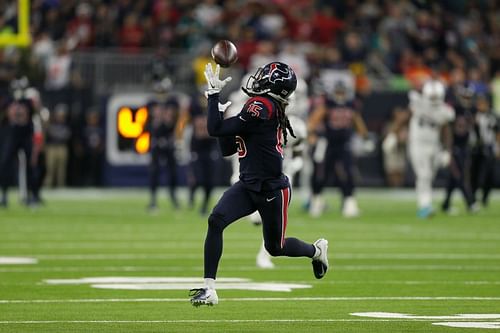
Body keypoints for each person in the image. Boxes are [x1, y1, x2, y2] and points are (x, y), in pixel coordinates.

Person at [189, 62, 329, 307]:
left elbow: (213, 129)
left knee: (276, 247)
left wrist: (212, 97)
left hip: (272, 189)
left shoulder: (261, 105)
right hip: (247, 185)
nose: (259, 78)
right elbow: (227, 146)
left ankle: (316, 251)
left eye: (265, 76)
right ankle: (209, 288)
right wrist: (220, 114)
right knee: (216, 220)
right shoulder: (263, 107)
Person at [307, 78, 369, 218]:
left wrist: (364, 136)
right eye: (338, 91)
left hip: (343, 143)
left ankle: (349, 202)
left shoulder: (351, 105)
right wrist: (311, 134)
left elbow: (357, 121)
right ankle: (316, 201)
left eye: (342, 91)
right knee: (321, 173)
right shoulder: (328, 104)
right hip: (327, 142)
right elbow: (314, 120)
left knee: (347, 173)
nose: (340, 94)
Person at [407, 80, 454, 218]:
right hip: (417, 143)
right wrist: (393, 135)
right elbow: (405, 117)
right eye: (431, 97)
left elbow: (446, 130)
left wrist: (447, 150)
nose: (433, 100)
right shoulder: (418, 103)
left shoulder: (445, 111)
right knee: (424, 175)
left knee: (429, 176)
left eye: (436, 97)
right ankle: (424, 206)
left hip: (434, 145)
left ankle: (425, 203)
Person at [441, 85, 476, 214]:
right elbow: (446, 130)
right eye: (465, 96)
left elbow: (471, 128)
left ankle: (446, 204)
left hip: (465, 147)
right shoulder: (453, 110)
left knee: (454, 178)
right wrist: (447, 148)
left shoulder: (472, 110)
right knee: (459, 176)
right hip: (454, 147)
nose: (467, 99)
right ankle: (470, 203)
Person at [470, 95, 499, 208]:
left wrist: (497, 148)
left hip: (489, 146)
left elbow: (497, 132)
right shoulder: (473, 114)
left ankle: (485, 197)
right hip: (476, 148)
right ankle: (473, 197)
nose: (481, 105)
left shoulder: (493, 116)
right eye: (479, 103)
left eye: (483, 103)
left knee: (490, 175)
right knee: (475, 174)